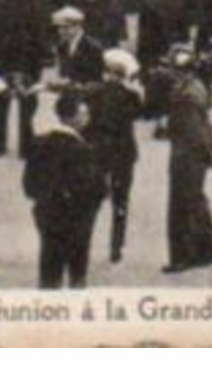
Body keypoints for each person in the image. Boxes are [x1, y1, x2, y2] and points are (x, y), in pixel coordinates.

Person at [23, 92, 105, 289]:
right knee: (77, 267)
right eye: (84, 113)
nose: (88, 117)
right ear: (72, 118)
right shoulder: (82, 150)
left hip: (47, 214)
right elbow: (94, 188)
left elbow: (29, 185)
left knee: (49, 264)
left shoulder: (40, 143)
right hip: (77, 218)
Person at [162, 46, 212, 274]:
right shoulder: (196, 87)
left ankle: (183, 256)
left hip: (186, 154)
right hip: (196, 153)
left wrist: (206, 150)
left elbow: (193, 130)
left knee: (181, 206)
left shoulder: (184, 95)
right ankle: (209, 251)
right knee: (196, 201)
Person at [0, 0, 51, 158]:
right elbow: (38, 28)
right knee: (27, 103)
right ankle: (26, 145)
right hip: (26, 57)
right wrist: (42, 54)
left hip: (1, 58)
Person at [88, 49, 143, 263]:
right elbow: (142, 111)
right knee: (121, 202)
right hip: (124, 153)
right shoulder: (130, 96)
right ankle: (116, 247)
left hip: (99, 152)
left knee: (91, 199)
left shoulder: (94, 92)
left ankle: (86, 238)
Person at [53, 5, 105, 86]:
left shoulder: (93, 47)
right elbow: (63, 73)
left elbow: (96, 77)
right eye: (59, 28)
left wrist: (72, 82)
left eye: (66, 27)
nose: (61, 32)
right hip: (68, 94)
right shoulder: (61, 46)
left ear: (78, 26)